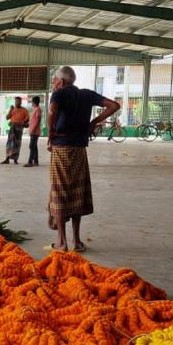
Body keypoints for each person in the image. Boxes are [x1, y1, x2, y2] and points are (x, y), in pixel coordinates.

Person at [47, 66, 120, 252]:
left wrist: (50, 133)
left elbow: (52, 111)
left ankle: (62, 243)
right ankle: (77, 241)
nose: (53, 84)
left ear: (61, 81)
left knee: (60, 193)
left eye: (54, 80)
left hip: (61, 148)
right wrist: (94, 122)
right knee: (77, 193)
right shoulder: (87, 94)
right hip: (79, 149)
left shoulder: (58, 94)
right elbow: (114, 105)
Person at [3, 96, 29, 164]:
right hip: (12, 128)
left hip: (19, 128)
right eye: (16, 101)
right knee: (9, 144)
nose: (17, 103)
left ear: (21, 102)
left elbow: (27, 119)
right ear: (15, 102)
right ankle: (7, 159)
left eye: (19, 101)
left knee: (17, 144)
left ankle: (15, 159)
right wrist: (10, 110)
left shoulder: (24, 110)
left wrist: (23, 122)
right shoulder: (12, 109)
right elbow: (7, 117)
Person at [25, 96, 42, 167]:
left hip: (35, 131)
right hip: (33, 130)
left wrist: (33, 129)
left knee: (31, 146)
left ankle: (30, 162)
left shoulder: (38, 109)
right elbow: (34, 120)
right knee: (34, 146)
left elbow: (38, 120)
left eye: (32, 101)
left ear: (34, 102)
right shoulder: (35, 109)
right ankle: (36, 161)